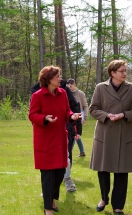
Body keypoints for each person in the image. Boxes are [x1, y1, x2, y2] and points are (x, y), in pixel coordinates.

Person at [89, 60, 132, 214]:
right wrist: (106, 115)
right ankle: (104, 198)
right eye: (121, 71)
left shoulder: (131, 88)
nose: (125, 74)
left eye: (125, 71)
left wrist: (123, 114)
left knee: (121, 171)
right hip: (105, 133)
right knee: (103, 169)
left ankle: (118, 205)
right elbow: (93, 109)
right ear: (112, 73)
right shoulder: (100, 88)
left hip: (124, 134)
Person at [28, 65, 81, 215]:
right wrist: (44, 118)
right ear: (48, 79)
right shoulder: (38, 95)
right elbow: (32, 115)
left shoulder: (63, 93)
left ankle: (51, 198)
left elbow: (66, 111)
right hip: (45, 140)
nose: (60, 79)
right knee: (47, 175)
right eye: (57, 76)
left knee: (60, 172)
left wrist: (72, 116)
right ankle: (47, 208)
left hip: (59, 139)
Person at [67, 79, 88, 157]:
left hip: (79, 114)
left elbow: (85, 106)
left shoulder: (81, 94)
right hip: (71, 116)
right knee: (75, 134)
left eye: (70, 86)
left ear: (74, 85)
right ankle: (81, 151)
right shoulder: (67, 93)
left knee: (75, 133)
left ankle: (70, 152)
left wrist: (85, 117)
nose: (69, 88)